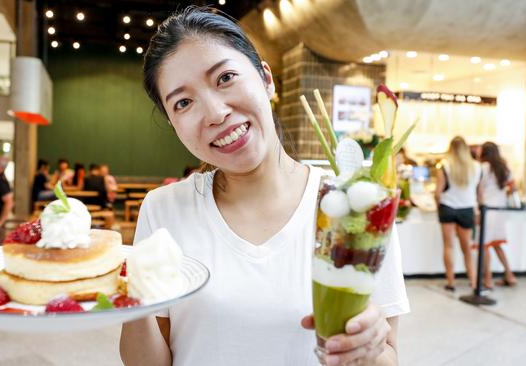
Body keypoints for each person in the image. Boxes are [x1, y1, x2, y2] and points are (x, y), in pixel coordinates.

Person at [120, 7, 409, 366]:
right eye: (183, 102)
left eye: (225, 77)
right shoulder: (163, 209)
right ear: (173, 124)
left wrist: (370, 348)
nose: (215, 113)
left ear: (266, 78)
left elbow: (389, 357)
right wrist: (129, 293)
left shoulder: (353, 206)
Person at [435, 136, 480, 291]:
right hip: (467, 209)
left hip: (447, 207)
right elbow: (477, 192)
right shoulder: (476, 167)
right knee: (467, 247)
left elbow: (438, 193)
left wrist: (438, 206)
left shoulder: (445, 166)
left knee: (448, 246)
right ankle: (474, 282)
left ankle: (451, 282)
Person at [478, 142, 517, 288]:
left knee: (485, 245)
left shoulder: (483, 168)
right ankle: (510, 275)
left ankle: (487, 280)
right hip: (500, 210)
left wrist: (480, 205)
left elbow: (479, 190)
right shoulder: (505, 168)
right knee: (496, 244)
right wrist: (500, 194)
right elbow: (512, 188)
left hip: (487, 210)